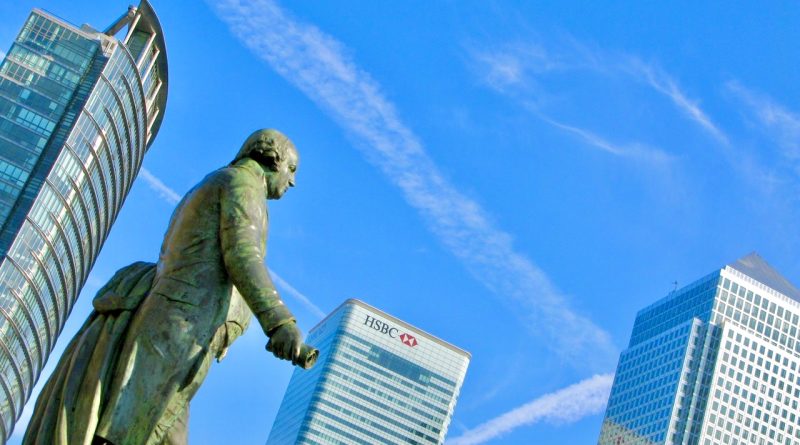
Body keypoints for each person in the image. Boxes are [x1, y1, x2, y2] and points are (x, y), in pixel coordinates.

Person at [23, 129, 306, 445]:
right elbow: (242, 253)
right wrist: (279, 321)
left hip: (184, 327)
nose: (292, 181)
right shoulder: (242, 184)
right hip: (180, 323)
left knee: (155, 429)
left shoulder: (218, 182)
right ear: (272, 157)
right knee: (130, 426)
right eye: (291, 169)